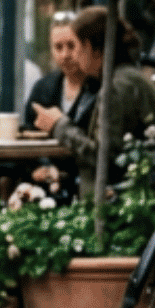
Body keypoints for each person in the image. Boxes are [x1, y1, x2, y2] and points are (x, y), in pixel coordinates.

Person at [32, 5, 155, 198]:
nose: (72, 55)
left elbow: (105, 158)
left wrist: (59, 125)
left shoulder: (116, 88)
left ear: (96, 50)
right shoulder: (123, 79)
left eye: (76, 46)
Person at [20, 10, 96, 190]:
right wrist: (43, 166)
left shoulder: (97, 89)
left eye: (71, 46)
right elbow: (29, 134)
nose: (65, 54)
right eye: (58, 47)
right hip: (45, 181)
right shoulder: (43, 88)